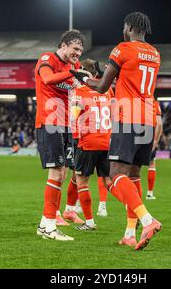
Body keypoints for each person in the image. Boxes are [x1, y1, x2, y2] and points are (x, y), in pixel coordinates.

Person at [71, 11, 162, 250]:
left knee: (116, 175)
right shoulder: (154, 53)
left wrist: (83, 79)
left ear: (129, 26)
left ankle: (147, 220)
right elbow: (128, 78)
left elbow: (101, 86)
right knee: (134, 177)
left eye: (124, 26)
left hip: (128, 117)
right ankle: (130, 233)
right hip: (148, 118)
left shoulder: (122, 48)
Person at [35, 29, 85, 241]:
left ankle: (45, 224)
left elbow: (82, 85)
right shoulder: (48, 58)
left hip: (65, 124)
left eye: (80, 50)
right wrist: (73, 74)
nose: (78, 54)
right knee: (56, 173)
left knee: (62, 174)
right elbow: (47, 79)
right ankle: (48, 226)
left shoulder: (74, 66)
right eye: (75, 49)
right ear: (63, 45)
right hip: (50, 121)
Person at [70, 59, 114, 230]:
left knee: (82, 181)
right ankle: (132, 209)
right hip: (106, 141)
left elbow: (74, 116)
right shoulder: (107, 91)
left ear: (82, 73)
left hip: (88, 142)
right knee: (110, 182)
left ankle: (89, 222)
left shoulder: (80, 91)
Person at [146, 100, 163, 200]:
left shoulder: (135, 101)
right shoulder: (154, 103)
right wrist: (155, 141)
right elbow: (159, 124)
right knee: (151, 164)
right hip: (149, 137)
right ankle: (149, 193)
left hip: (134, 135)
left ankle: (130, 194)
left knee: (132, 168)